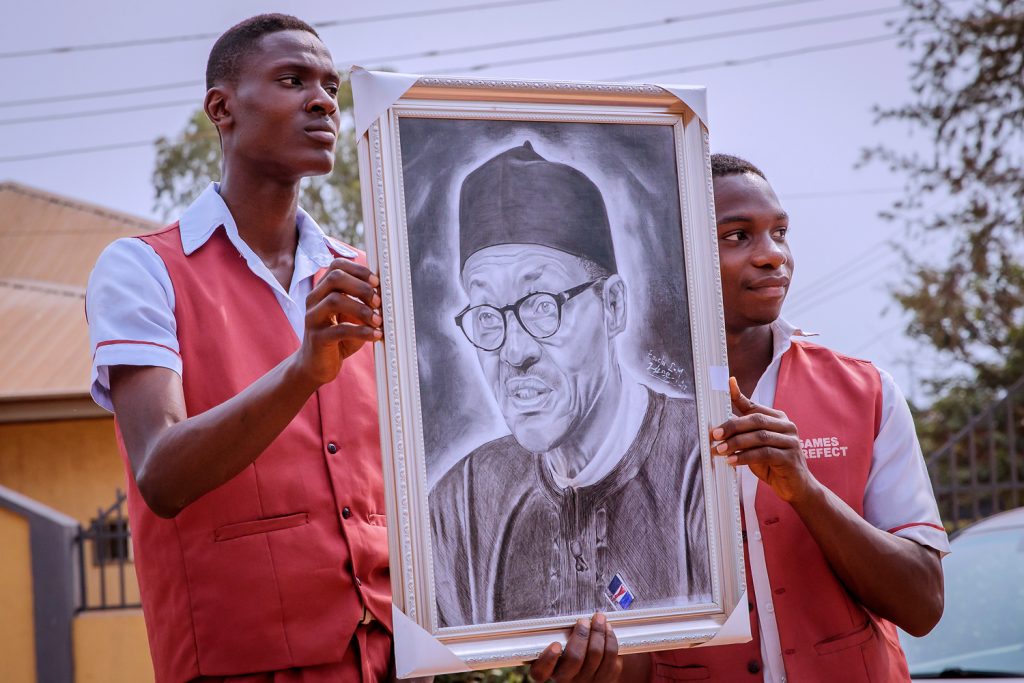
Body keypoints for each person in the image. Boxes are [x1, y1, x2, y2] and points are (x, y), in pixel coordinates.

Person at [86, 14, 393, 682]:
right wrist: (302, 371)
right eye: (292, 80)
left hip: (391, 659)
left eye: (330, 86)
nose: (323, 101)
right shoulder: (143, 270)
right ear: (221, 108)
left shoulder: (368, 274)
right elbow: (160, 473)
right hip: (237, 664)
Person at [642, 154, 948, 682]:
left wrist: (804, 489)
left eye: (779, 233)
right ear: (674, 252)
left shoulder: (867, 392)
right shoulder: (625, 409)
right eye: (737, 236)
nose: (772, 256)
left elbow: (923, 606)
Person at [430, 141, 710, 628]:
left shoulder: (701, 463)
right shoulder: (461, 502)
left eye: (543, 305)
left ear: (613, 306)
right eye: (488, 315)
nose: (514, 351)